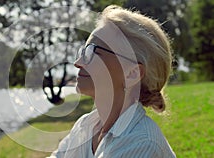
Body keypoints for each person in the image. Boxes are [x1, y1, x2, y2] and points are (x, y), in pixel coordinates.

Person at [48, 5, 176, 158]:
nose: (78, 62)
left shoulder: (141, 143)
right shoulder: (86, 125)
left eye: (92, 51)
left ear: (132, 73)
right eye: (83, 51)